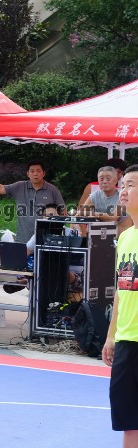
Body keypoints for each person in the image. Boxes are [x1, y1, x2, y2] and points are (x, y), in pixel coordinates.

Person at [102, 164, 138, 446]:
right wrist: (111, 335)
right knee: (129, 422)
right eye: (122, 185)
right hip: (127, 341)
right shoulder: (125, 238)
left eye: (130, 185)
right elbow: (120, 290)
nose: (123, 191)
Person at [0, 160, 66, 243]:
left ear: (43, 173)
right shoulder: (20, 186)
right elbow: (1, 188)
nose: (35, 174)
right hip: (23, 239)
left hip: (46, 240)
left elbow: (63, 213)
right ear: (28, 174)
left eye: (38, 171)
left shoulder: (53, 190)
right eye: (32, 171)